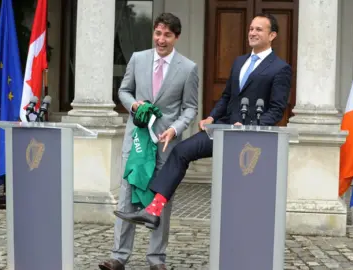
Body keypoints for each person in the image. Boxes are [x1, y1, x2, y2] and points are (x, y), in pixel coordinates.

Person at [113, 13, 292, 229]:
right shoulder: (240, 62)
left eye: (258, 30)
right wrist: (212, 116)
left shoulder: (280, 68)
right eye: (251, 28)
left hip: (251, 137)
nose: (252, 33)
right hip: (222, 127)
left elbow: (277, 110)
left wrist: (251, 126)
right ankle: (153, 210)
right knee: (181, 151)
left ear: (272, 35)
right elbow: (227, 97)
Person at [98, 13, 199, 270]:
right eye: (157, 33)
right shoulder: (138, 59)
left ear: (176, 37)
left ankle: (156, 259)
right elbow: (123, 90)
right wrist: (134, 105)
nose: (161, 39)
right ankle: (119, 257)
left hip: (167, 145)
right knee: (127, 196)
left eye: (167, 35)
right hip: (137, 142)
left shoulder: (188, 68)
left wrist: (175, 130)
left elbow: (190, 108)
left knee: (160, 201)